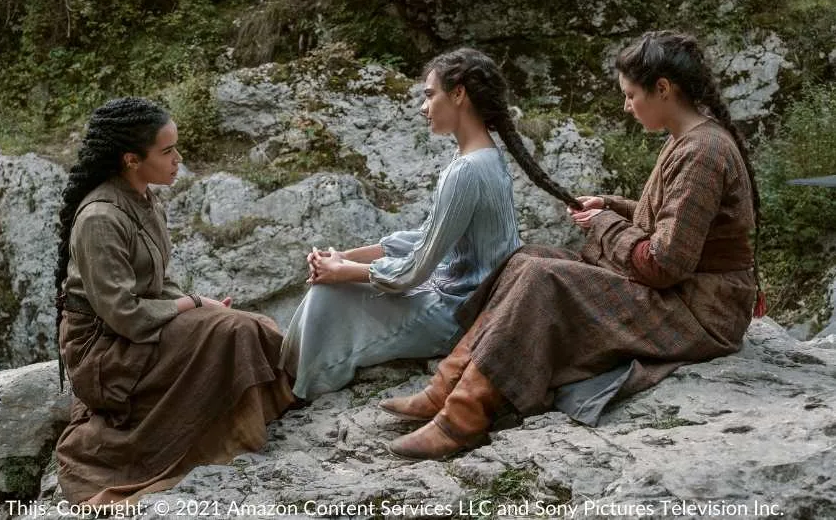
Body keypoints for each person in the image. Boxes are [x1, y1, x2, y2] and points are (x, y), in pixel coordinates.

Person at [384, 31, 762, 460]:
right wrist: (613, 206)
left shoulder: (703, 152)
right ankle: (447, 386)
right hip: (682, 291)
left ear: (663, 88)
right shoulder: (689, 141)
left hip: (699, 309)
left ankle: (462, 418)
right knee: (527, 259)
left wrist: (602, 223)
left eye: (631, 94)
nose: (626, 106)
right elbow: (676, 220)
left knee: (544, 278)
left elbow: (665, 263)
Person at [279, 47, 581, 401]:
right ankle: (293, 377)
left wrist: (343, 271)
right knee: (333, 287)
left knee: (330, 294)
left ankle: (296, 389)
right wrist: (345, 257)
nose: (423, 107)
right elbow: (427, 237)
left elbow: (413, 273)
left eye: (429, 95)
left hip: (456, 314)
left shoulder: (469, 169)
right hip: (457, 297)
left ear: (458, 94)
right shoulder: (481, 157)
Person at [53, 97, 293, 504]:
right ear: (131, 159)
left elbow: (156, 283)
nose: (177, 159)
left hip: (141, 327)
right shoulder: (99, 218)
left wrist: (200, 303)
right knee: (231, 330)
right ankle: (225, 431)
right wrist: (192, 305)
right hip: (108, 351)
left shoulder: (145, 198)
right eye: (167, 151)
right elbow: (124, 314)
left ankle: (265, 404)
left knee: (253, 324)